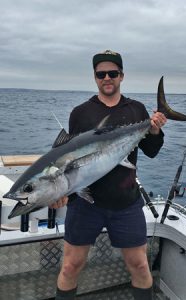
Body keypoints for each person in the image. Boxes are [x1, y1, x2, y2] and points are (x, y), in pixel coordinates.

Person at [53, 50, 167, 300]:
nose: (107, 78)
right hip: (84, 203)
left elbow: (150, 151)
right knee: (71, 266)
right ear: (94, 77)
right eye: (101, 73)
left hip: (126, 201)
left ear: (121, 76)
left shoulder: (136, 109)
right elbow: (68, 159)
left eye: (112, 73)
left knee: (139, 265)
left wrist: (155, 130)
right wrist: (60, 191)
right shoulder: (80, 113)